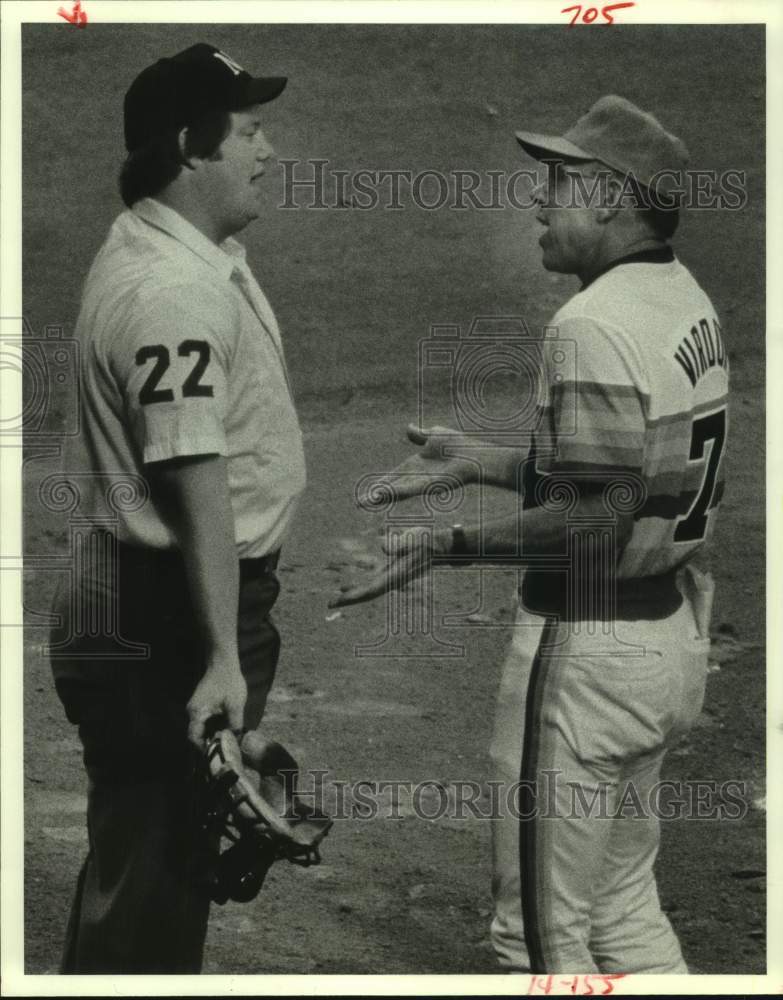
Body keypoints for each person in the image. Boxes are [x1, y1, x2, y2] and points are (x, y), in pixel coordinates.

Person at [332, 96, 729, 974]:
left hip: (586, 655)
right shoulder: (680, 297)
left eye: (559, 182)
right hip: (664, 644)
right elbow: (631, 480)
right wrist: (485, 460)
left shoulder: (587, 325)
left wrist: (448, 546)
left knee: (540, 943)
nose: (539, 202)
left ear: (613, 199)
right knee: (622, 917)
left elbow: (592, 520)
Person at [49, 43, 306, 973]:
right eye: (249, 132)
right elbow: (193, 474)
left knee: (157, 861)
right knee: (155, 871)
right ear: (191, 148)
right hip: (168, 610)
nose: (269, 150)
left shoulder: (184, 251)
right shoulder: (172, 291)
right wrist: (224, 659)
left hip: (155, 593)